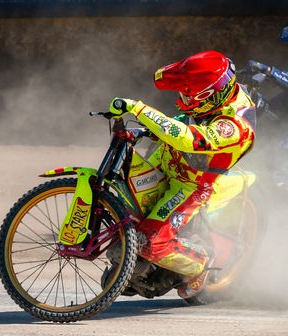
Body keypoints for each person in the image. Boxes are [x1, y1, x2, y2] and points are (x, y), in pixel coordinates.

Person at [108, 50, 256, 299]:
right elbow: (168, 76)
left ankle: (200, 264)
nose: (182, 100)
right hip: (169, 159)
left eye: (189, 96)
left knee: (151, 242)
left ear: (210, 96)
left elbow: (189, 139)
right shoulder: (211, 83)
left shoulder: (235, 127)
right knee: (128, 200)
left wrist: (140, 109)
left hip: (193, 184)